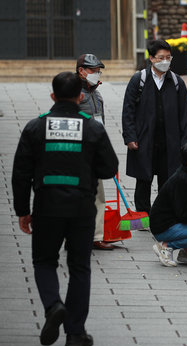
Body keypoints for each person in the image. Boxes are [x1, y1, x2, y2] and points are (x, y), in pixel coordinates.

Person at [12, 72, 119, 346]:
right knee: (80, 267)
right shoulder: (92, 128)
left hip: (47, 206)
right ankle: (75, 333)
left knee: (44, 261)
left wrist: (23, 210)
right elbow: (109, 167)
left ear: (52, 97)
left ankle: (52, 306)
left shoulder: (36, 127)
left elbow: (21, 174)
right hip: (82, 208)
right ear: (80, 97)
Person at [121, 39, 187, 216]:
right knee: (144, 179)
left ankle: (163, 214)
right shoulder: (139, 80)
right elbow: (128, 110)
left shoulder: (176, 82)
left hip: (170, 142)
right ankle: (143, 215)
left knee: (168, 179)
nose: (165, 61)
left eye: (168, 57)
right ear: (151, 58)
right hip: (145, 140)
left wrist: (186, 143)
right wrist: (130, 137)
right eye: (161, 58)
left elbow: (185, 116)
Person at [76, 53, 113, 250]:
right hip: (78, 153)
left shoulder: (97, 94)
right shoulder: (74, 94)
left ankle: (96, 237)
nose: (96, 73)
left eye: (98, 70)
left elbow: (102, 124)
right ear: (81, 71)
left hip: (95, 152)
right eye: (93, 70)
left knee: (98, 196)